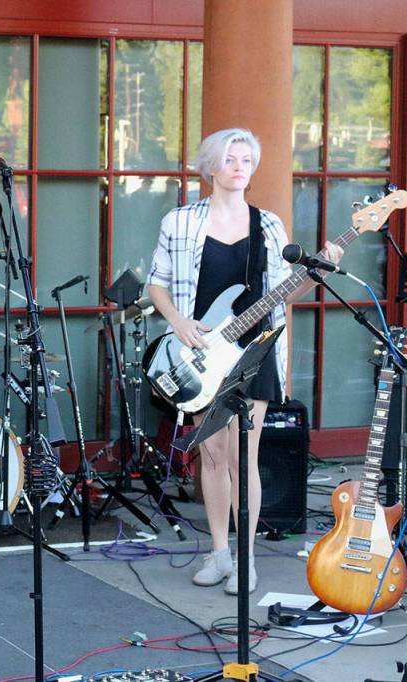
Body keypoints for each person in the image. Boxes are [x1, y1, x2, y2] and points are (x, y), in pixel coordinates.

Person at [147, 128, 343, 595]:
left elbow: (287, 291)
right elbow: (157, 282)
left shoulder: (268, 225)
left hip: (254, 353)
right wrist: (178, 322)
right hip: (200, 353)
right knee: (211, 454)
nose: (240, 167)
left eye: (246, 160)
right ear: (211, 167)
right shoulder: (180, 222)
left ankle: (246, 557)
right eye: (231, 159)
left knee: (243, 456)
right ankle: (218, 553)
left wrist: (321, 270)